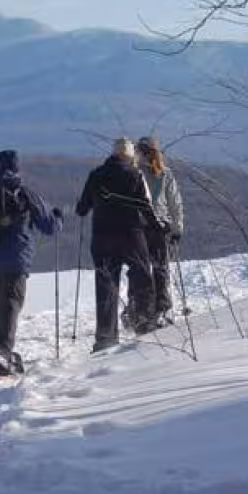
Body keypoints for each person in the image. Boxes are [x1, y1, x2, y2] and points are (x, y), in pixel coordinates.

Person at [0, 150, 63, 376]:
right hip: (16, 260)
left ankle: (0, 350)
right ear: (17, 169)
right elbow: (49, 226)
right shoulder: (25, 193)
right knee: (11, 306)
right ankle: (3, 354)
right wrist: (58, 217)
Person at [75, 138, 158, 353]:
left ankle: (105, 337)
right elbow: (146, 206)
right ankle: (143, 324)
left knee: (106, 285)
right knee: (141, 276)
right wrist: (158, 226)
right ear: (130, 156)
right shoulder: (136, 175)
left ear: (112, 155)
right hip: (132, 235)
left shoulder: (96, 175)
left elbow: (82, 209)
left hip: (102, 237)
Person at [135, 136, 185, 327]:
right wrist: (177, 228)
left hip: (140, 226)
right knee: (160, 267)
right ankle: (161, 308)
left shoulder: (136, 173)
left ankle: (141, 309)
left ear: (141, 152)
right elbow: (175, 203)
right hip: (161, 227)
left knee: (141, 269)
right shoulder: (165, 174)